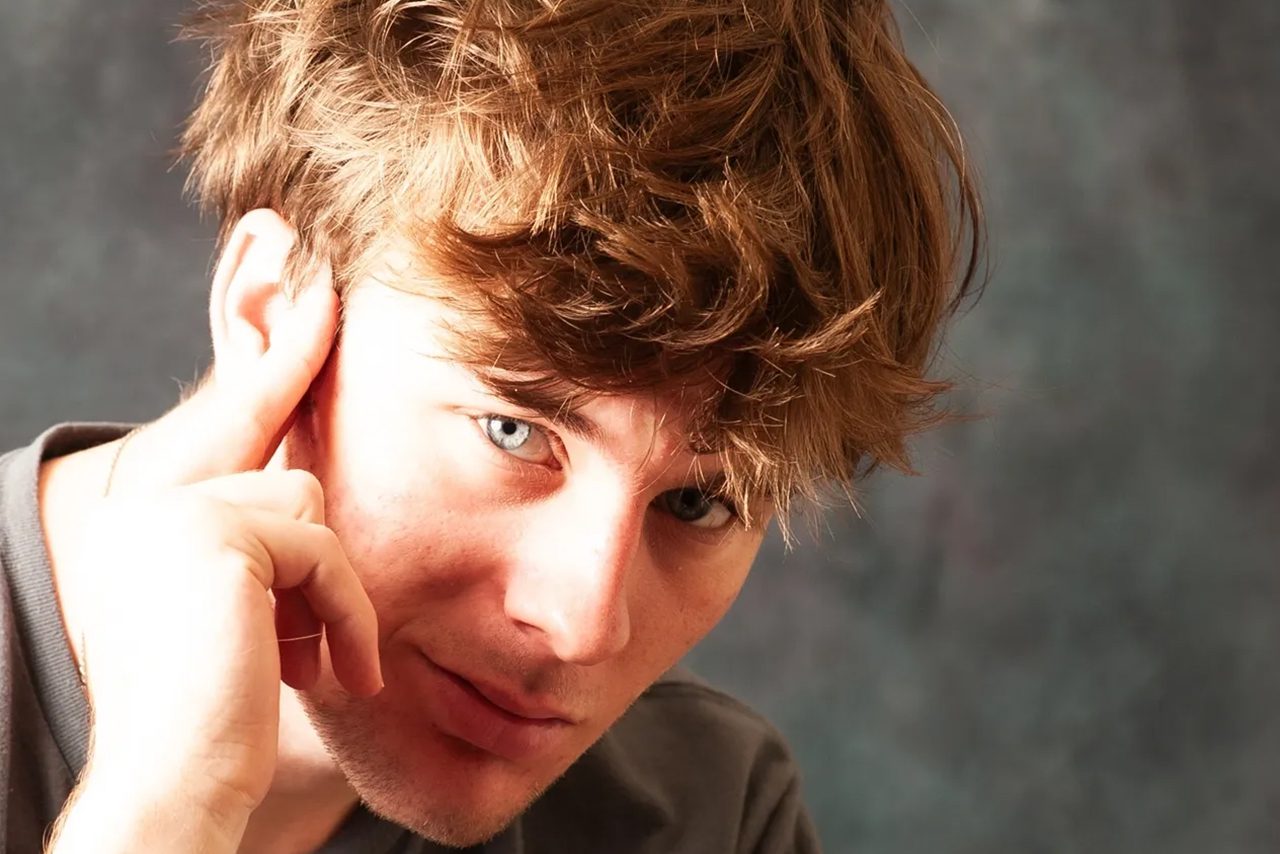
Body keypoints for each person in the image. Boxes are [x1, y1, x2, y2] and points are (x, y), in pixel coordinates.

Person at [1, 0, 982, 851]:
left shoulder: (704, 816)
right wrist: (162, 814)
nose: (581, 626)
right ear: (269, 308)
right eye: (511, 432)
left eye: (697, 501)